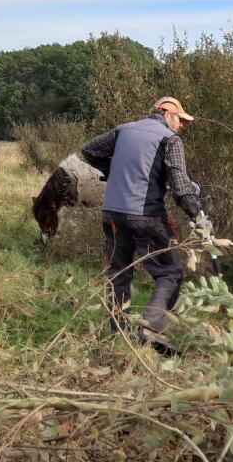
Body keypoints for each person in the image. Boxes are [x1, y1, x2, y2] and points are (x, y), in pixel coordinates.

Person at [81, 96, 202, 345]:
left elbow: (89, 150)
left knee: (118, 274)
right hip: (146, 217)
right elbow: (180, 187)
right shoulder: (170, 139)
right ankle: (152, 329)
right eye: (180, 120)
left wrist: (113, 169)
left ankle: (119, 337)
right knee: (170, 271)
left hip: (112, 214)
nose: (181, 126)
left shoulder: (124, 130)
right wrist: (198, 215)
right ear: (166, 113)